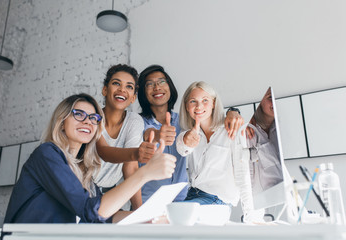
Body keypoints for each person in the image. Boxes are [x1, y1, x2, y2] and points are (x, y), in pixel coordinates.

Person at [4, 93, 175, 223]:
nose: (87, 122)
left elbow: (107, 217)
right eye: (79, 114)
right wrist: (144, 173)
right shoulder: (47, 154)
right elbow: (92, 210)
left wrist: (149, 218)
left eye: (94, 118)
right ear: (62, 121)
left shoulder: (82, 169)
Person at [137, 65, 245, 203]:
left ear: (170, 86)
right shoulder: (137, 123)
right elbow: (148, 134)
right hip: (149, 200)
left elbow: (207, 113)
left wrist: (233, 111)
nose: (157, 87)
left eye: (161, 82)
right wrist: (158, 134)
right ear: (143, 93)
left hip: (183, 198)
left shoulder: (183, 122)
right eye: (150, 84)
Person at [176, 81, 255, 220]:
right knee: (166, 220)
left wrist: (250, 214)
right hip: (193, 195)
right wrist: (187, 140)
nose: (199, 106)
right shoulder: (189, 133)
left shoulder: (232, 130)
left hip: (218, 200)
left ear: (213, 103)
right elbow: (183, 148)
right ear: (186, 106)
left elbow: (243, 173)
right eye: (193, 101)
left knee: (173, 219)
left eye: (205, 100)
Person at [93, 64, 149, 210]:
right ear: (105, 90)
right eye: (116, 83)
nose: (122, 90)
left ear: (133, 98)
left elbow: (130, 167)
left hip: (109, 196)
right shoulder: (92, 115)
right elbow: (103, 151)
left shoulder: (134, 121)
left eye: (129, 87)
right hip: (80, 190)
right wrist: (136, 153)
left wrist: (138, 211)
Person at [247, 87, 283, 194]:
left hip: (281, 196)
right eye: (270, 97)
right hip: (257, 201)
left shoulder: (280, 128)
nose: (274, 101)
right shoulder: (249, 130)